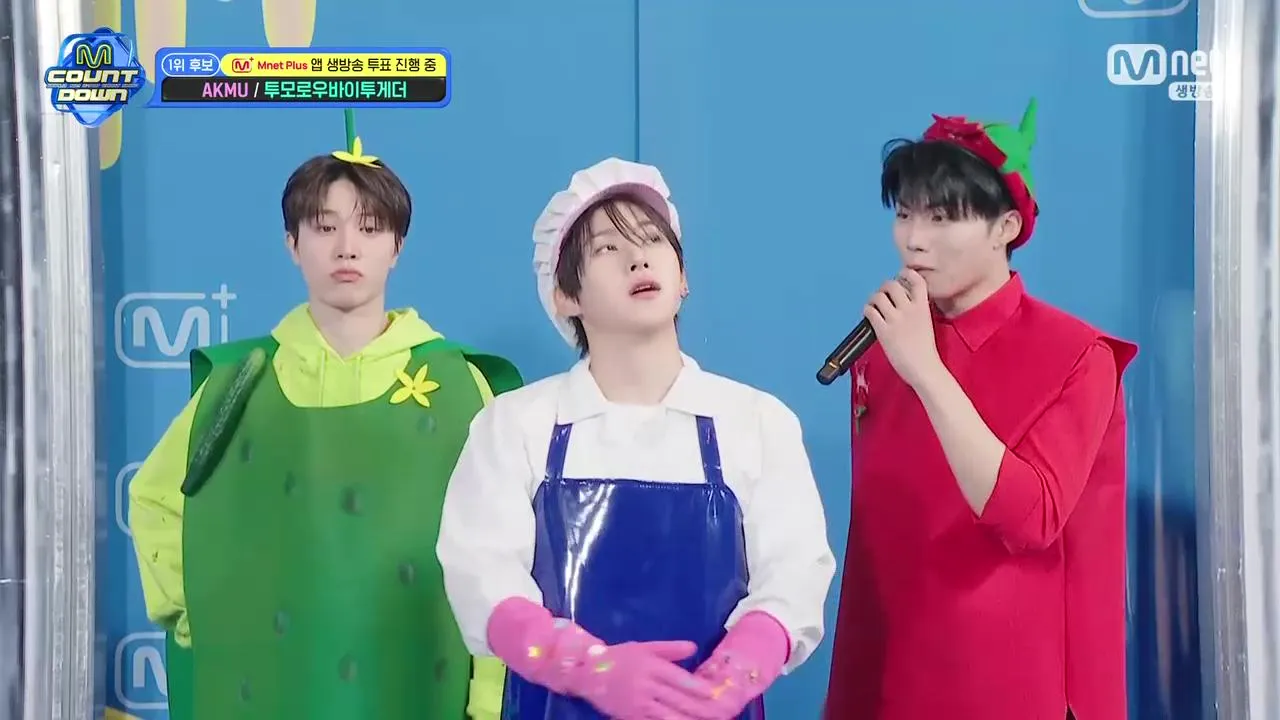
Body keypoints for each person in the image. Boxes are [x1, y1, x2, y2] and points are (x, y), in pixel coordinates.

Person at [127, 111, 522, 720]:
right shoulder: (235, 384)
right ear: (293, 244)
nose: (346, 247)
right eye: (324, 226)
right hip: (272, 683)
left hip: (419, 676)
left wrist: (491, 692)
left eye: (369, 227)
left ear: (397, 247)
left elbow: (506, 543)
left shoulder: (460, 386)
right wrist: (200, 610)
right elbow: (158, 499)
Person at [436, 157, 836, 720]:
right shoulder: (514, 425)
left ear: (683, 277)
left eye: (652, 240)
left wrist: (735, 672)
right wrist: (584, 668)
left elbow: (795, 573)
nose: (638, 258)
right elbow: (482, 576)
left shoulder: (757, 422)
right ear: (565, 297)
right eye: (607, 248)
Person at [822, 99, 1138, 720]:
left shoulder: (1078, 356)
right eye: (905, 214)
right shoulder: (885, 348)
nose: (915, 239)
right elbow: (878, 540)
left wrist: (927, 373)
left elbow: (1029, 519)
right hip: (891, 680)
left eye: (942, 218)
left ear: (1006, 228)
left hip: (1018, 685)